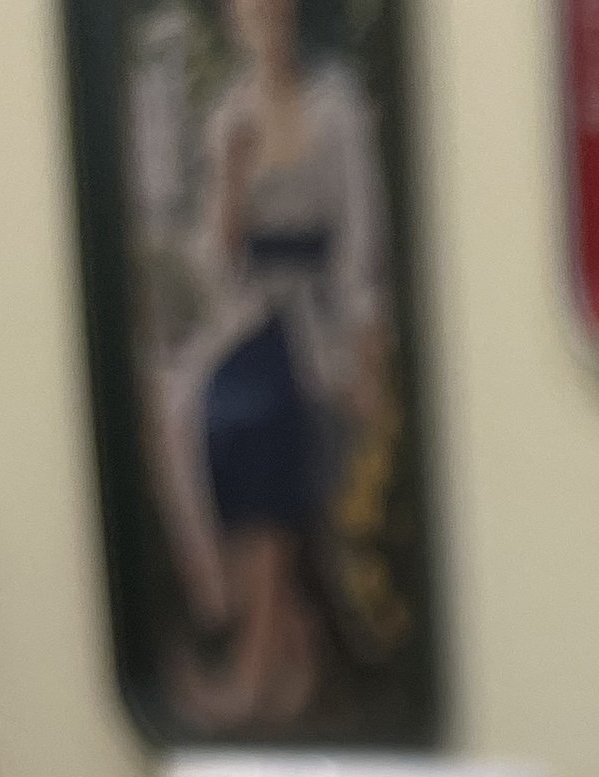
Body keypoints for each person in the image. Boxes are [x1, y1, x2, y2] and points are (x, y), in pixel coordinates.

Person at [154, 0, 391, 731]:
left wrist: (365, 344)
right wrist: (229, 177)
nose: (268, 19)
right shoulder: (229, 115)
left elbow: (361, 233)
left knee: (268, 416)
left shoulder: (336, 106)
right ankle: (289, 649)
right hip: (251, 316)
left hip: (317, 317)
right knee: (200, 415)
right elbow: (214, 263)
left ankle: (256, 671)